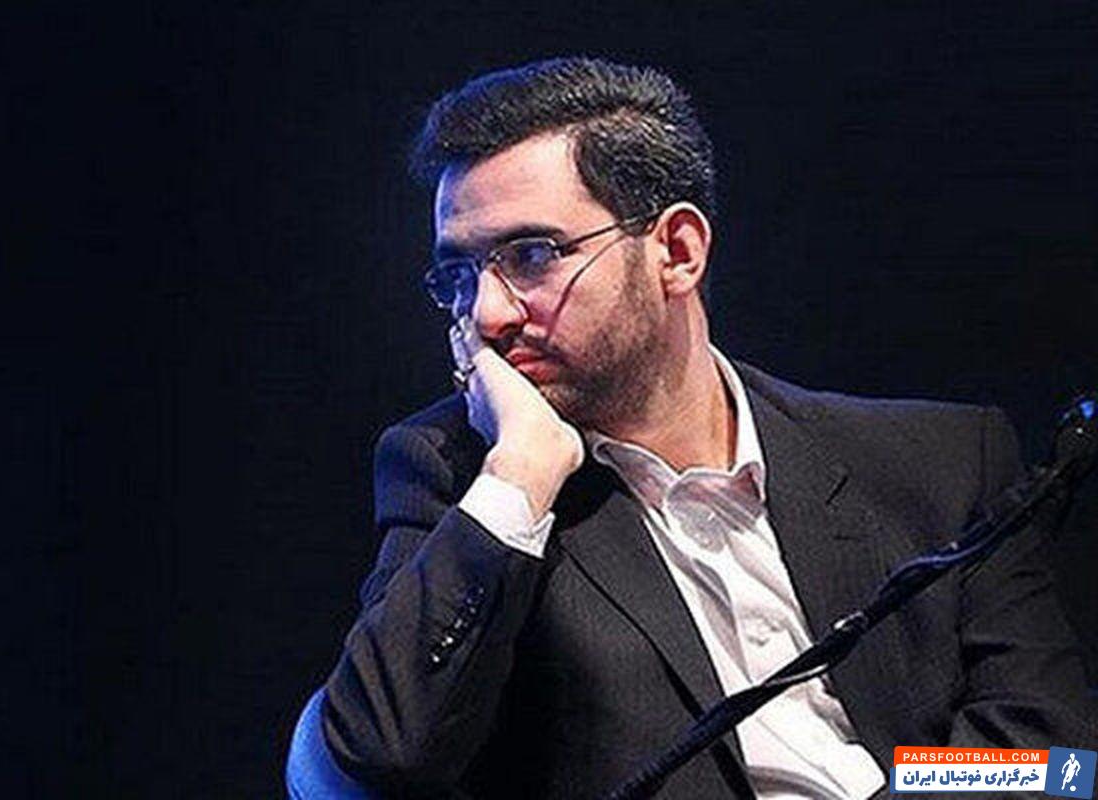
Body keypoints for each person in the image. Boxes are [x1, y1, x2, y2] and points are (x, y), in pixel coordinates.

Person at [304, 57, 1093, 798]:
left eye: (532, 255)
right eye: (458, 274)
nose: (486, 314)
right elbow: (379, 760)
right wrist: (522, 473)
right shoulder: (459, 472)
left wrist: (896, 787)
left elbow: (1053, 766)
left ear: (677, 252)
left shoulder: (940, 463)